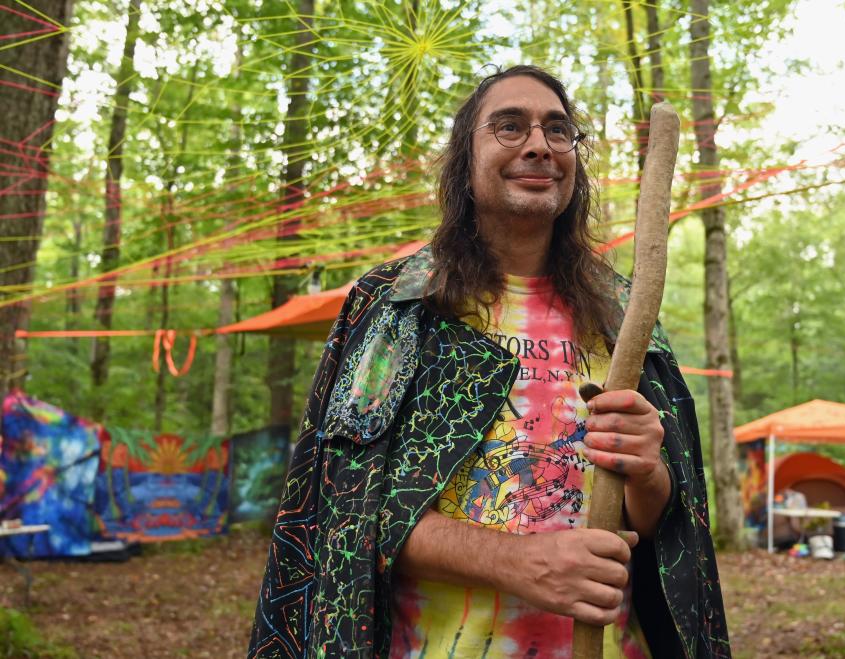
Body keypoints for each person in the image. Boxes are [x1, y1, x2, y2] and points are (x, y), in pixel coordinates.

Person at [249, 65, 729, 659]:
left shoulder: (627, 316)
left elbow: (666, 534)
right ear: (464, 160)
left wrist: (650, 474)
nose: (538, 144)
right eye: (508, 126)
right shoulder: (400, 306)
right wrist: (517, 562)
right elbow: (345, 508)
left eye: (558, 130)